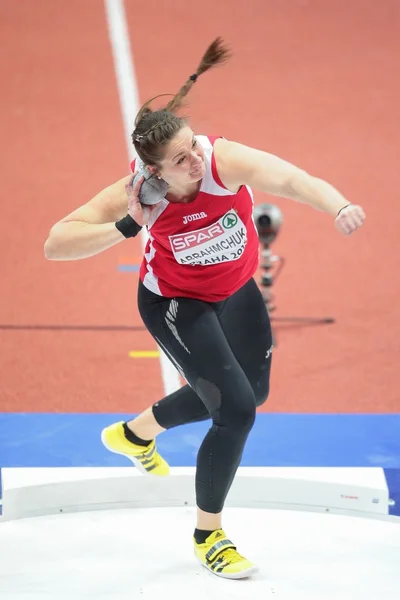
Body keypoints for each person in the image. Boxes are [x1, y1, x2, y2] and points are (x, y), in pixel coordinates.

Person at [44, 37, 366, 579]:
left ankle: (136, 432)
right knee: (238, 409)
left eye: (195, 146)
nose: (196, 160)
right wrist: (129, 226)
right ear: (153, 171)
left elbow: (290, 178)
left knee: (252, 391)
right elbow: (57, 242)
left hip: (237, 289)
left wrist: (338, 204)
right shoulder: (137, 194)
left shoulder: (222, 161)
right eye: (180, 159)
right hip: (176, 304)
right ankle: (208, 534)